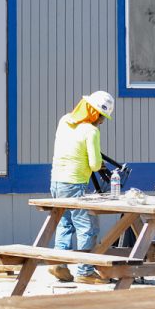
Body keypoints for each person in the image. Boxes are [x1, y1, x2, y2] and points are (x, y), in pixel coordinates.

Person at [48, 91, 115, 285]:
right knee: (88, 228)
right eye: (102, 117)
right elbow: (94, 165)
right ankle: (85, 271)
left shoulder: (64, 121)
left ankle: (59, 264)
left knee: (65, 223)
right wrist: (100, 163)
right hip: (75, 183)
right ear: (94, 113)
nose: (102, 121)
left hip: (56, 181)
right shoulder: (91, 131)